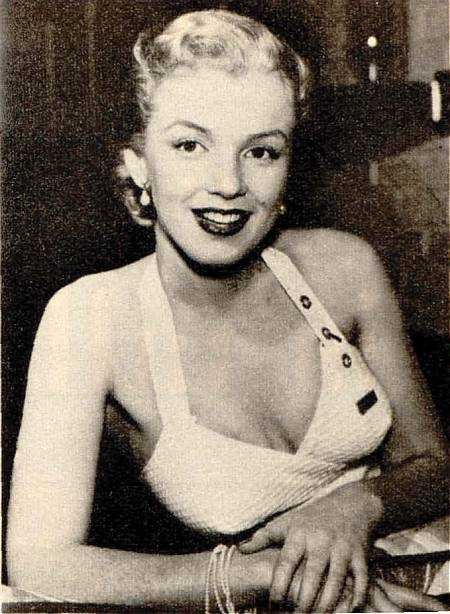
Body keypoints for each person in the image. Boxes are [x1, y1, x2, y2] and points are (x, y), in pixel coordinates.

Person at [6, 9, 449, 612]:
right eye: (190, 145)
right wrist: (271, 574)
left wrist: (351, 508)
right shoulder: (91, 318)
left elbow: (435, 466)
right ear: (139, 163)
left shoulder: (343, 267)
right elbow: (41, 561)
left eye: (261, 152)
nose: (228, 184)